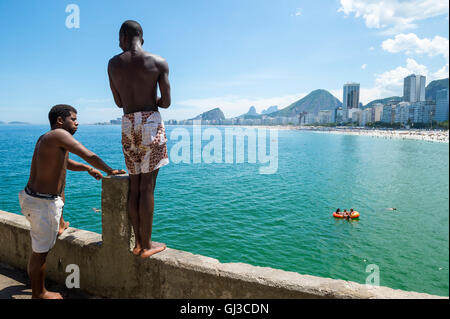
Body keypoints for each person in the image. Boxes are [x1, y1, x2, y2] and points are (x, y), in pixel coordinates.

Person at [18, 104, 125, 299]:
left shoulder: (48, 138)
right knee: (39, 253)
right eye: (74, 119)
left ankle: (59, 224)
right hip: (42, 204)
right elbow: (88, 154)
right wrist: (110, 170)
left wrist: (87, 168)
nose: (77, 123)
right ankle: (39, 294)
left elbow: (66, 162)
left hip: (35, 199)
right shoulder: (59, 135)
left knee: (42, 242)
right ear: (60, 120)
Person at [108, 20, 171, 258]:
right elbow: (165, 102)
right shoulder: (158, 62)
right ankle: (147, 245)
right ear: (141, 37)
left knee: (135, 186)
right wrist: (150, 99)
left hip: (128, 124)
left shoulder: (113, 64)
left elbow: (119, 102)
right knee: (148, 187)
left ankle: (137, 244)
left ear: (124, 37)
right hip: (151, 123)